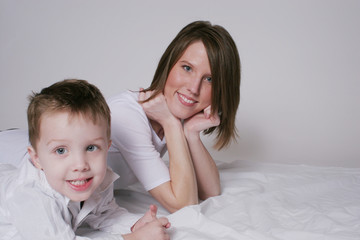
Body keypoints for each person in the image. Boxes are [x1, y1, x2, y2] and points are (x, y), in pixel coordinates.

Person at [0, 79, 170, 240]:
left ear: (106, 148)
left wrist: (135, 225)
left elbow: (105, 214)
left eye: (91, 148)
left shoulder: (94, 179)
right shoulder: (31, 197)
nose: (80, 165)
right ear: (37, 159)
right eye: (61, 150)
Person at [107, 20, 241, 213]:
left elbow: (210, 191)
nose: (193, 88)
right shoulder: (126, 116)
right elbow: (184, 205)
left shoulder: (171, 112)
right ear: (168, 64)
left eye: (209, 79)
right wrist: (171, 123)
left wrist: (191, 133)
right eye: (187, 68)